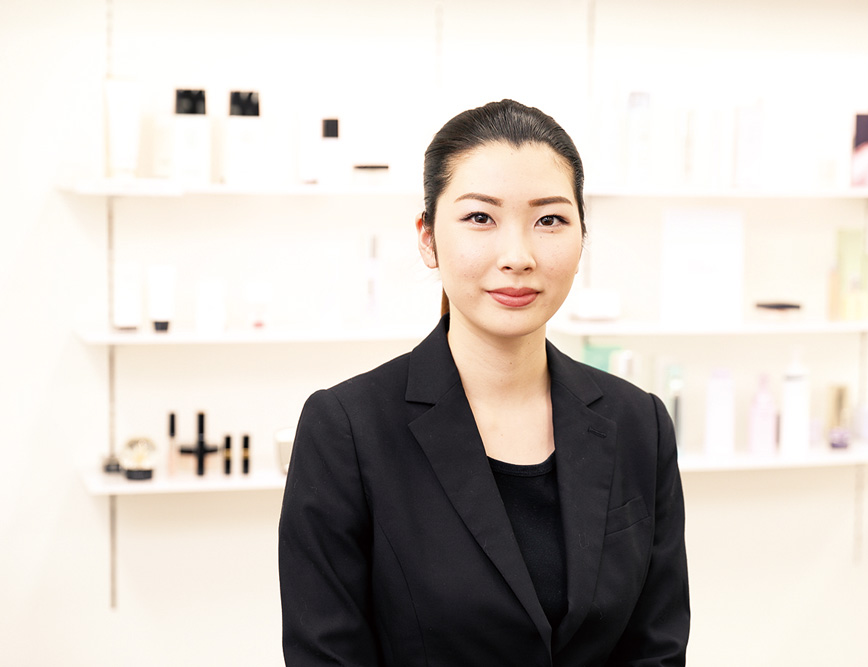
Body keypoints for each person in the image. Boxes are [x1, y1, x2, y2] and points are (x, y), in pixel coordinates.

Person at [278, 99, 690, 666]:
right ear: (428, 239)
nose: (517, 256)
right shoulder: (347, 429)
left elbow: (657, 649)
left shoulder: (638, 423)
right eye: (480, 218)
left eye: (549, 220)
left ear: (582, 238)